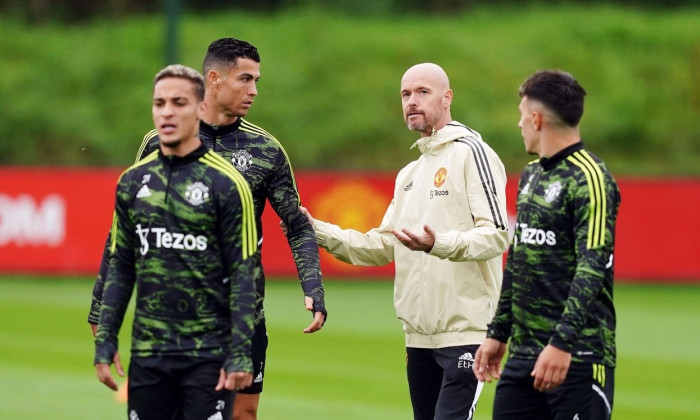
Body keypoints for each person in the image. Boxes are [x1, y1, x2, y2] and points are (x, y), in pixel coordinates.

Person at [88, 38, 327, 420]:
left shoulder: (265, 150)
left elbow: (296, 222)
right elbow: (126, 234)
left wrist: (312, 286)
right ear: (214, 79)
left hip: (239, 315)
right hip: (164, 321)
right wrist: (101, 307)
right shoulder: (156, 146)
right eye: (245, 79)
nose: (254, 91)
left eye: (256, 81)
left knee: (242, 415)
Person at [290, 63, 509, 420]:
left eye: (423, 92)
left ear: (447, 97)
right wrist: (316, 230)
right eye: (405, 94)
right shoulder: (410, 173)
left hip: (466, 332)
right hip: (417, 337)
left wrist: (437, 243)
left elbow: (498, 234)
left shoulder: (471, 152)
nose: (412, 101)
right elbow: (382, 245)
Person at [94, 64, 258, 419]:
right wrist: (105, 339)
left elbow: (245, 274)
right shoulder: (132, 182)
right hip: (149, 354)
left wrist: (241, 352)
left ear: (200, 108)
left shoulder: (228, 184)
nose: (167, 111)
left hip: (208, 355)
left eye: (179, 102)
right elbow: (121, 266)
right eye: (159, 103)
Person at [473, 69, 621, 420]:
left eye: (522, 116)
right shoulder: (531, 174)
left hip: (577, 357)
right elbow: (519, 259)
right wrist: (499, 332)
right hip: (523, 357)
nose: (519, 124)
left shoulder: (592, 178)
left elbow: (593, 267)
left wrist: (562, 344)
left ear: (536, 119)